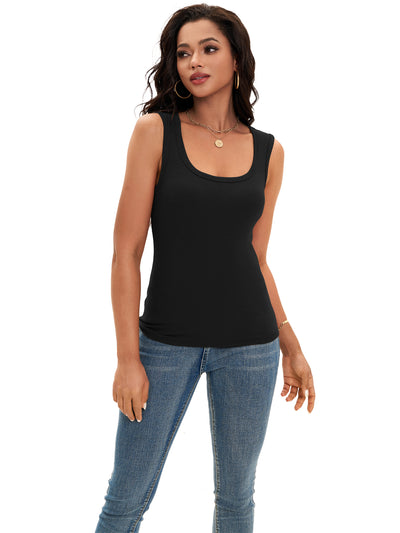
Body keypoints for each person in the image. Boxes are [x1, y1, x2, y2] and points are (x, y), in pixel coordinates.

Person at [95, 4, 316, 533]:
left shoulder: (269, 152)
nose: (194, 61)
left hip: (251, 347)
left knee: (237, 499)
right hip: (164, 345)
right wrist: (128, 358)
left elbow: (256, 258)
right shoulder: (155, 132)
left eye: (208, 48)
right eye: (183, 52)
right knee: (125, 500)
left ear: (236, 59)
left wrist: (290, 344)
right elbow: (126, 252)